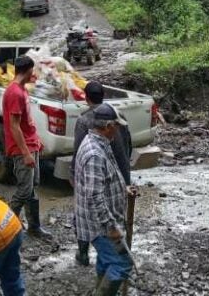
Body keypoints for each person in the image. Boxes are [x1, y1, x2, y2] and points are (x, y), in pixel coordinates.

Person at [74, 104, 136, 295]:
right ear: (108, 126)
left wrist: (121, 188)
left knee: (106, 260)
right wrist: (111, 228)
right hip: (100, 226)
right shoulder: (94, 154)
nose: (118, 130)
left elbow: (104, 180)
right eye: (116, 126)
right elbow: (94, 196)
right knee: (122, 265)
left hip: (103, 222)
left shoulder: (99, 141)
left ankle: (99, 288)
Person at [70, 81, 133, 266]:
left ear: (86, 98)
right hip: (110, 170)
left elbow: (77, 149)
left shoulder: (85, 121)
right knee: (100, 211)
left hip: (108, 172)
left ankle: (84, 253)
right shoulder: (116, 116)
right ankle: (109, 245)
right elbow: (128, 144)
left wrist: (74, 173)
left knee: (92, 210)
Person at [2, 55, 52, 239]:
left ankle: (34, 227)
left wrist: (37, 142)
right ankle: (4, 226)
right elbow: (14, 126)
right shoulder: (14, 93)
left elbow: (25, 123)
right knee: (24, 190)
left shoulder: (22, 90)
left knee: (32, 188)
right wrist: (25, 153)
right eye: (34, 70)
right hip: (22, 149)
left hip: (31, 145)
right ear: (29, 70)